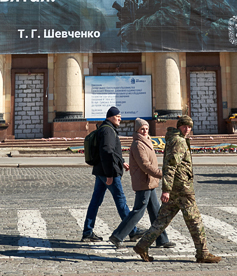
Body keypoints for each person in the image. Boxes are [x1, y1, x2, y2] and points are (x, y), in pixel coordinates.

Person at [133, 114, 222, 264]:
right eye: (184, 126)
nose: (187, 129)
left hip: (177, 186)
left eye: (189, 127)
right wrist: (166, 190)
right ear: (179, 126)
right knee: (195, 220)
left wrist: (168, 188)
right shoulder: (179, 141)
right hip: (182, 188)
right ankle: (203, 253)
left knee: (162, 220)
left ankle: (142, 245)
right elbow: (171, 166)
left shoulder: (175, 139)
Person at [108, 118, 173, 250]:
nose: (144, 131)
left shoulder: (146, 141)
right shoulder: (138, 144)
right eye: (142, 129)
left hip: (149, 181)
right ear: (137, 130)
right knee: (138, 211)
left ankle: (162, 239)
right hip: (143, 181)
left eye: (146, 129)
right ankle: (117, 236)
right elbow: (145, 165)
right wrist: (162, 174)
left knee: (156, 212)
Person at [81, 106, 132, 242]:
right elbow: (107, 152)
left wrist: (122, 162)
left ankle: (87, 232)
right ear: (110, 117)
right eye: (117, 116)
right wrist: (109, 174)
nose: (120, 118)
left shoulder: (106, 129)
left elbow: (113, 153)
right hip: (109, 172)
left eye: (120, 115)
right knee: (121, 201)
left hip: (101, 171)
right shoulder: (108, 131)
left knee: (95, 202)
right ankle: (132, 231)